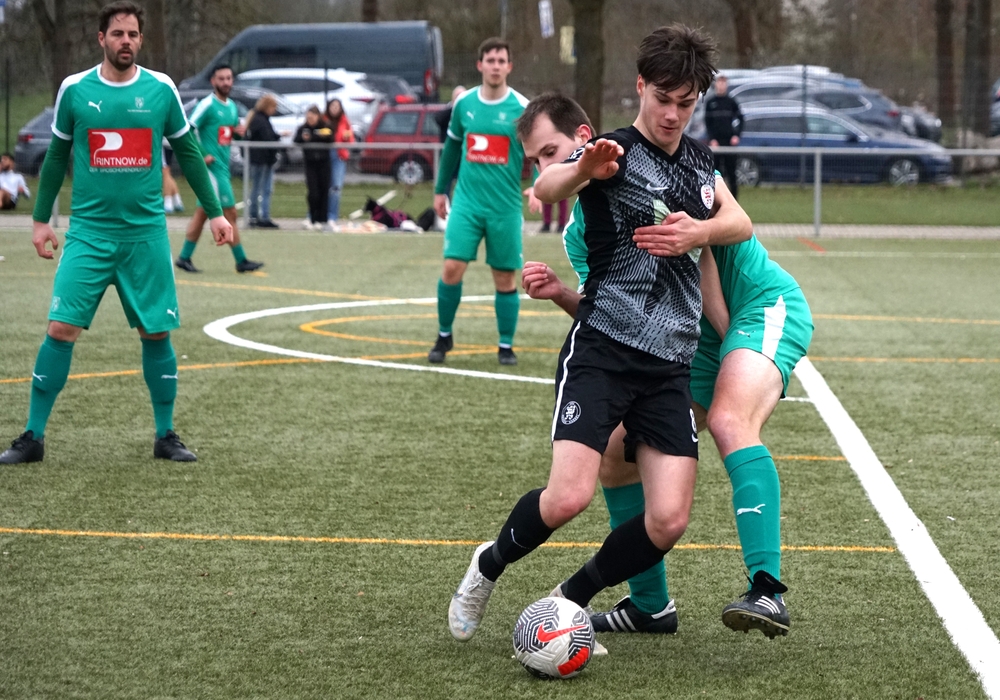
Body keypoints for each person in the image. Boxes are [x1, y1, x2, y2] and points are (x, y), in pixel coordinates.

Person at [447, 25, 754, 643]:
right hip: (604, 351)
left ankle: (568, 599)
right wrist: (583, 166)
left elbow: (740, 221)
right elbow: (546, 187)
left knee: (669, 520)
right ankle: (488, 566)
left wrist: (699, 233)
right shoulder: (611, 150)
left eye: (685, 102)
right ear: (640, 87)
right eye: (662, 99)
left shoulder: (700, 163)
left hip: (668, 366)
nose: (672, 114)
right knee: (568, 499)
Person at [518, 93, 813, 639]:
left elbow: (723, 249)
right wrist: (560, 293)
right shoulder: (579, 230)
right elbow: (611, 310)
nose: (545, 168)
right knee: (615, 451)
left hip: (753, 307)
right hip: (686, 340)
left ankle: (767, 590)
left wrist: (747, 363)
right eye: (536, 161)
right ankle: (649, 607)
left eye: (551, 152)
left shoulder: (660, 166)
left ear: (584, 140)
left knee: (729, 419)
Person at [0, 1, 233, 465]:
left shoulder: (161, 89)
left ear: (140, 40)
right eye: (117, 33)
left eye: (132, 34)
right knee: (60, 328)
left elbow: (188, 153)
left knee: (156, 332)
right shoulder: (75, 89)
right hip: (88, 234)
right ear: (101, 38)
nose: (126, 41)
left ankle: (166, 435)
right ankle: (32, 436)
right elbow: (55, 158)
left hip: (145, 235)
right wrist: (41, 220)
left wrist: (216, 213)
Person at [427, 39, 534, 367]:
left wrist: (539, 185)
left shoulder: (523, 108)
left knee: (504, 277)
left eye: (502, 60)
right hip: (467, 204)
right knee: (451, 267)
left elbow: (539, 150)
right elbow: (451, 149)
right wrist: (441, 190)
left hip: (504, 207)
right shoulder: (465, 104)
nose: (496, 66)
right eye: (490, 60)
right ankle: (444, 335)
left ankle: (505, 345)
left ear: (509, 67)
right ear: (480, 65)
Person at [175, 64, 263, 273]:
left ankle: (184, 257)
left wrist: (239, 133)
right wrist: (202, 153)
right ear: (213, 81)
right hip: (211, 170)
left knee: (203, 213)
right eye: (221, 78)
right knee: (229, 212)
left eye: (228, 78)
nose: (225, 82)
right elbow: (188, 130)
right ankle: (241, 260)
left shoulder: (231, 106)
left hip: (223, 168)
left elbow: (227, 135)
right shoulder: (207, 105)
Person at [294, 105, 334, 230]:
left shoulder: (325, 126)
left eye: (312, 117)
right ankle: (313, 217)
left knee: (324, 191)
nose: (310, 120)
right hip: (310, 164)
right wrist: (303, 138)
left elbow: (330, 137)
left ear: (318, 116)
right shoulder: (303, 128)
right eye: (308, 118)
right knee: (313, 193)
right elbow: (296, 139)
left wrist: (313, 136)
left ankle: (323, 219)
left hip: (324, 163)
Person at [704, 74, 744, 200]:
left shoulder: (731, 102)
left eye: (723, 83)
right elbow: (708, 123)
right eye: (719, 82)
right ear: (716, 84)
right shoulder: (710, 102)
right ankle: (715, 200)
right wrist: (712, 139)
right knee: (716, 173)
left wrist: (736, 135)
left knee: (731, 173)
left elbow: (741, 119)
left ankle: (734, 202)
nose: (721, 85)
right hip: (716, 144)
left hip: (729, 143)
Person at [246, 94, 281, 229]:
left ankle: (256, 215)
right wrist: (276, 138)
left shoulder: (260, 119)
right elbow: (267, 137)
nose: (274, 110)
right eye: (273, 107)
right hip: (262, 160)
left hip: (262, 160)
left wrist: (278, 135)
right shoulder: (260, 120)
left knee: (259, 187)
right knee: (263, 188)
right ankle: (261, 216)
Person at [433, 85, 465, 200]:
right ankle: (445, 204)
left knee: (464, 183)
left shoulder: (468, 113)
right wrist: (454, 107)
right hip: (449, 155)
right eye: (457, 96)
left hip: (464, 155)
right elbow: (438, 119)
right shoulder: (446, 112)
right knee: (446, 184)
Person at [325, 98, 353, 227]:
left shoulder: (344, 121)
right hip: (325, 155)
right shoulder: (324, 119)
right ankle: (319, 215)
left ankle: (332, 216)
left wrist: (347, 137)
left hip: (339, 155)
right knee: (323, 186)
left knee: (336, 187)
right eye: (332, 106)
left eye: (337, 106)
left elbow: (350, 139)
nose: (334, 109)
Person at [161, 145, 183, 213]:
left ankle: (168, 203)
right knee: (167, 172)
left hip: (163, 144)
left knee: (165, 171)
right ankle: (177, 202)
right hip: (168, 144)